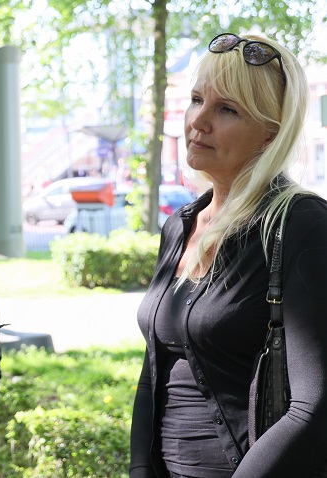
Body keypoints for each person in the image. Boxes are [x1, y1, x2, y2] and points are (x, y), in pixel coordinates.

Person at [130, 33, 327, 477]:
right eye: (197, 99)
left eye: (227, 109)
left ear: (269, 134)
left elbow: (313, 408)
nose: (198, 121)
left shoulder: (300, 225)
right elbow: (152, 373)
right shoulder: (180, 226)